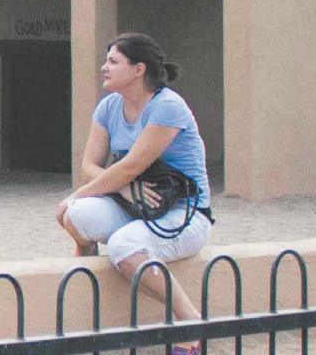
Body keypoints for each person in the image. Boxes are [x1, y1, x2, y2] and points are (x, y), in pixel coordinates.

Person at [56, 33, 214, 345]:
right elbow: (89, 167)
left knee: (122, 245)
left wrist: (77, 194)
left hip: (185, 214)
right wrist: (124, 189)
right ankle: (87, 255)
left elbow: (131, 166)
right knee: (75, 215)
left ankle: (190, 322)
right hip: (135, 205)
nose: (104, 67)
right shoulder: (108, 107)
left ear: (139, 69)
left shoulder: (168, 106)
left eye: (113, 62)